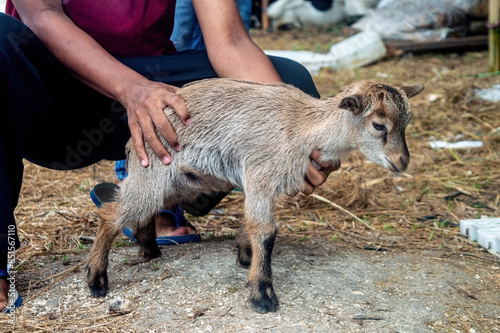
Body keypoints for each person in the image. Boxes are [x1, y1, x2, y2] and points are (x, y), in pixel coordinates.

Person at [0, 0, 339, 313]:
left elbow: (230, 41)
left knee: (293, 88)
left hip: (159, 100)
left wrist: (293, 137)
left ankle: (171, 193)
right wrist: (130, 88)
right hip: (54, 93)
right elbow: (42, 14)